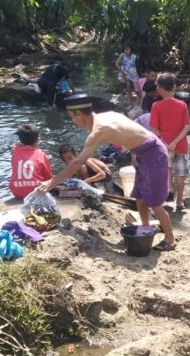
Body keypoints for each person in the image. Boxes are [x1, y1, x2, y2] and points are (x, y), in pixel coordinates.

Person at [38, 93, 176, 252]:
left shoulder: (98, 131)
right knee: (139, 197)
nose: (73, 121)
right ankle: (145, 229)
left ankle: (170, 239)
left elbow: (77, 162)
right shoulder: (107, 115)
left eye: (72, 117)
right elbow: (133, 131)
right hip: (143, 153)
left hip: (154, 155)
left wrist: (51, 182)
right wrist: (135, 152)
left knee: (154, 203)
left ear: (78, 114)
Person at [150, 73, 190, 210]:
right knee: (181, 173)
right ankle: (179, 201)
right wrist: (175, 142)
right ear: (174, 87)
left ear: (160, 89)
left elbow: (153, 128)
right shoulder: (182, 105)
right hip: (181, 145)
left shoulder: (156, 106)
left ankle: (165, 198)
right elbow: (187, 126)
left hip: (164, 146)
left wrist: (166, 141)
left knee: (167, 171)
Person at [9, 124, 52, 199]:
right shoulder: (41, 154)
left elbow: (14, 147)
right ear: (37, 140)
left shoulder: (15, 150)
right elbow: (48, 178)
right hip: (36, 193)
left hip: (17, 192)